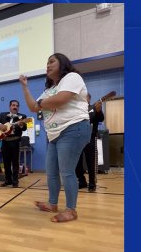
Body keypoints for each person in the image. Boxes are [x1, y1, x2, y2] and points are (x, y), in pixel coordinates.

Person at [19, 53, 91, 222]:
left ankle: (71, 210)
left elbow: (61, 100)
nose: (48, 65)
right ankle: (53, 204)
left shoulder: (72, 77)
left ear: (63, 63)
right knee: (51, 172)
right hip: (54, 135)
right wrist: (25, 87)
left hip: (73, 128)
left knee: (66, 172)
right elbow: (32, 107)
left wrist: (43, 103)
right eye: (47, 63)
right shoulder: (49, 90)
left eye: (52, 62)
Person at [0, 100, 27, 188]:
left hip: (15, 141)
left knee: (15, 162)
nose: (15, 107)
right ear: (10, 106)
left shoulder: (22, 116)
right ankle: (8, 180)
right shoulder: (3, 115)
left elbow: (24, 129)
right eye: (13, 105)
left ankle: (15, 181)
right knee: (6, 162)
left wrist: (21, 124)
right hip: (4, 141)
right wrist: (0, 125)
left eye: (17, 105)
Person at [76, 93, 104, 192]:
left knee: (91, 162)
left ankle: (92, 183)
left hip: (90, 138)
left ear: (89, 99)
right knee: (77, 162)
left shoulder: (93, 107)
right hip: (78, 139)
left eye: (85, 97)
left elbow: (101, 118)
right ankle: (82, 181)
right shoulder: (77, 110)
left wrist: (99, 110)